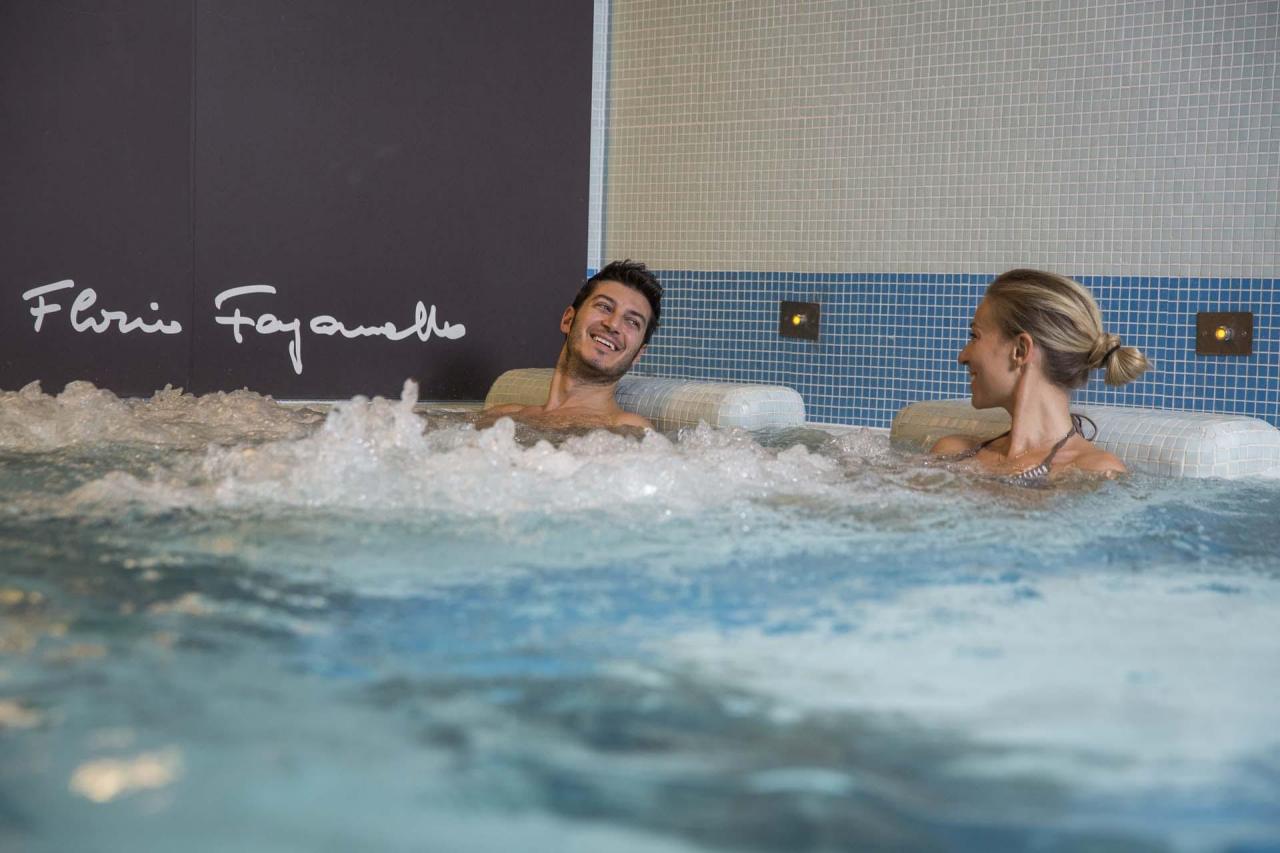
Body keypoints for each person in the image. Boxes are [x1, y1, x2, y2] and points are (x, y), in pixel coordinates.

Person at [931, 268, 1149, 479]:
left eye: (974, 336)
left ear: (1020, 350)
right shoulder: (953, 454)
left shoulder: (1095, 472)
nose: (962, 357)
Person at [479, 260, 662, 430]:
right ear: (568, 320)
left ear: (638, 354)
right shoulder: (502, 417)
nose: (613, 324)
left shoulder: (626, 428)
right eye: (605, 307)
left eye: (632, 322)